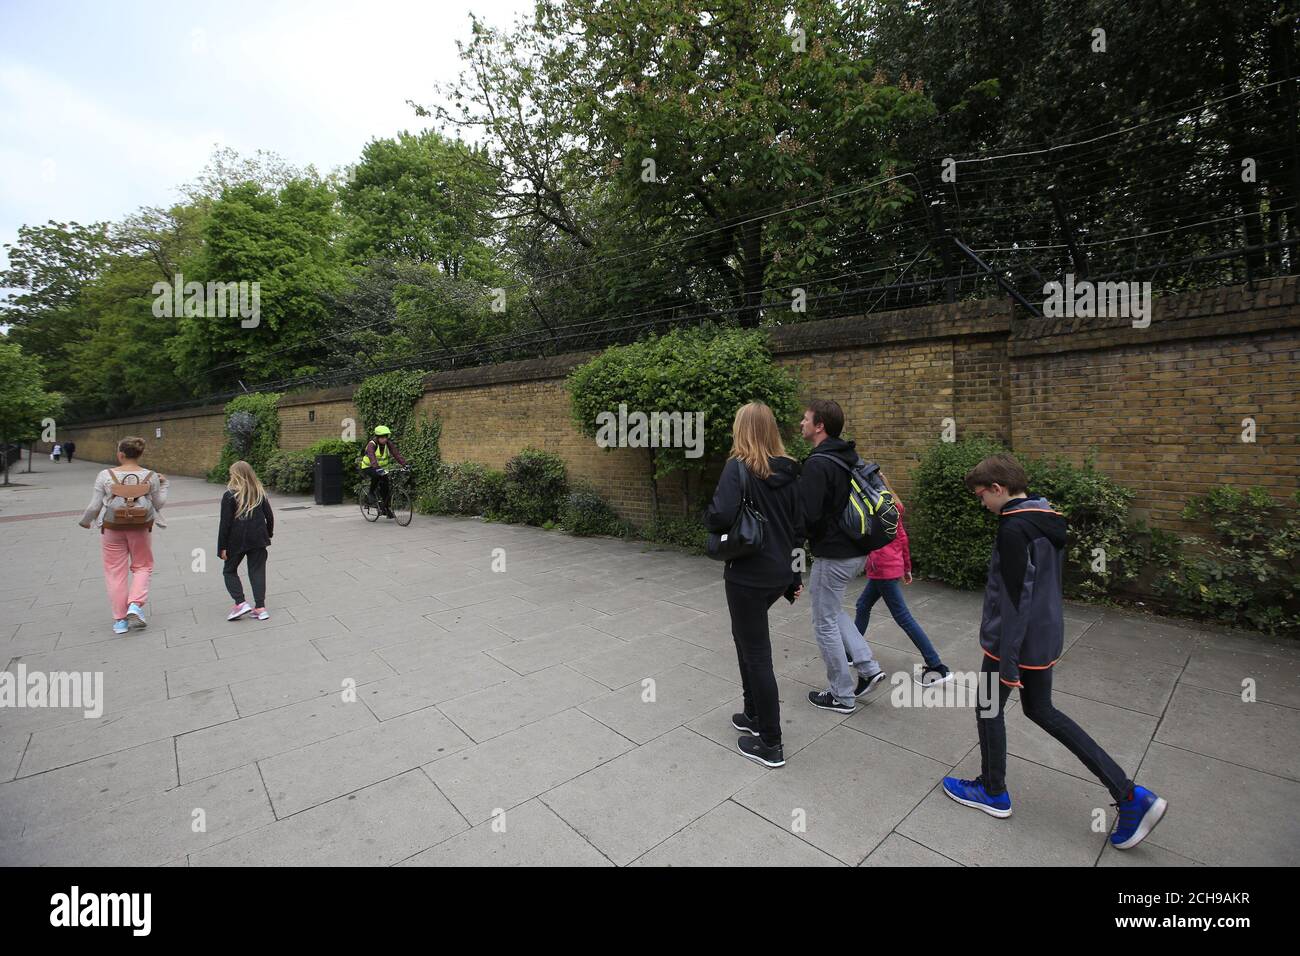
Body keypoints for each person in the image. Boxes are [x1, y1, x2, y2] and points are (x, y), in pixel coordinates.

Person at [941, 453, 1168, 850]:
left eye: (982, 496)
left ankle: (993, 792)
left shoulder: (1013, 530)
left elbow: (1015, 599)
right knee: (1041, 710)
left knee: (989, 708)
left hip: (1012, 642)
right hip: (1044, 636)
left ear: (998, 489)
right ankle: (1131, 796)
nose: (982, 504)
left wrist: (1007, 661)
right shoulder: (1046, 516)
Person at [705, 402, 805, 768]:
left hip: (747, 575)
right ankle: (752, 714)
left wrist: (710, 514)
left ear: (742, 430)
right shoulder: (792, 471)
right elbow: (798, 529)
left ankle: (771, 741)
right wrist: (794, 577)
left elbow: (719, 515)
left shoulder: (738, 468)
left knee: (757, 655)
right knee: (747, 644)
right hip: (778, 575)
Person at [798, 399, 886, 714]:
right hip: (856, 549)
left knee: (823, 621)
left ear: (819, 425)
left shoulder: (818, 463)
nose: (801, 424)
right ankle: (867, 667)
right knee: (833, 611)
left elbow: (808, 516)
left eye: (805, 419)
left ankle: (841, 694)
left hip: (834, 554)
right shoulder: (846, 455)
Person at [853, 481, 952, 686]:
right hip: (890, 567)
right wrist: (906, 567)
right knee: (863, 605)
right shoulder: (891, 505)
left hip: (882, 569)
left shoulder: (872, 508)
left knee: (903, 617)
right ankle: (852, 650)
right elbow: (903, 539)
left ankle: (937, 667)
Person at [77, 436, 168, 634]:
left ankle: (120, 621)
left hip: (111, 528)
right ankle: (135, 604)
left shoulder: (105, 475)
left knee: (114, 571)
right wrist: (165, 485)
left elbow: (94, 505)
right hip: (141, 527)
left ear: (120, 454)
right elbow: (158, 504)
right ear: (140, 453)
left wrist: (85, 522)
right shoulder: (150, 476)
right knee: (143, 566)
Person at [218, 460, 275, 621]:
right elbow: (270, 516)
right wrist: (268, 534)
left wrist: (222, 547)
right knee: (257, 571)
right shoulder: (259, 492)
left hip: (236, 541)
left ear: (235, 476)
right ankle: (260, 608)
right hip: (258, 538)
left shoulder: (229, 495)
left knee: (229, 570)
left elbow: (225, 524)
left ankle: (240, 603)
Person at [359, 425, 407, 519]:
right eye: (382, 437)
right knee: (376, 476)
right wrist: (377, 468)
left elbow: (396, 454)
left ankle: (386, 509)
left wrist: (404, 464)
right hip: (368, 467)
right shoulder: (371, 444)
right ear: (377, 437)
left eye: (386, 437)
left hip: (381, 468)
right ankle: (371, 493)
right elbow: (372, 457)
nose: (385, 439)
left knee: (386, 489)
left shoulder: (388, 444)